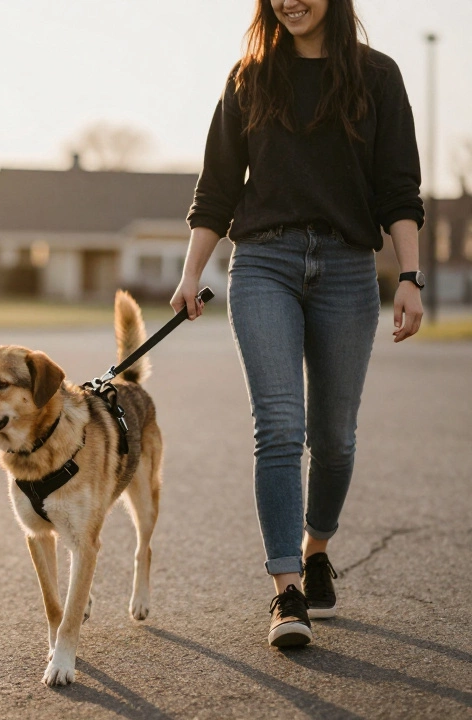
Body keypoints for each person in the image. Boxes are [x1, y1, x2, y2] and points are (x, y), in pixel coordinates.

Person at [174, 0, 424, 648]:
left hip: (345, 267)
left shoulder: (378, 77)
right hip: (264, 264)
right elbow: (218, 189)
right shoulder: (249, 79)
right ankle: (286, 591)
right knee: (280, 427)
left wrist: (411, 277)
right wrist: (189, 273)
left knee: (334, 437)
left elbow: (399, 188)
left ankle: (316, 547)